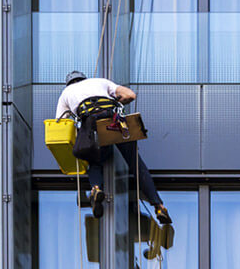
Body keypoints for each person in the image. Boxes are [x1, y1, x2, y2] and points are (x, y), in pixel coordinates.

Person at [56, 71, 172, 224]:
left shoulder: (66, 92)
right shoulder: (100, 81)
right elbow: (130, 95)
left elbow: (60, 122)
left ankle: (96, 189)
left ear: (69, 83)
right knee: (135, 163)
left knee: (95, 160)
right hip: (113, 121)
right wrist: (116, 102)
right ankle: (159, 206)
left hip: (91, 124)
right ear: (84, 78)